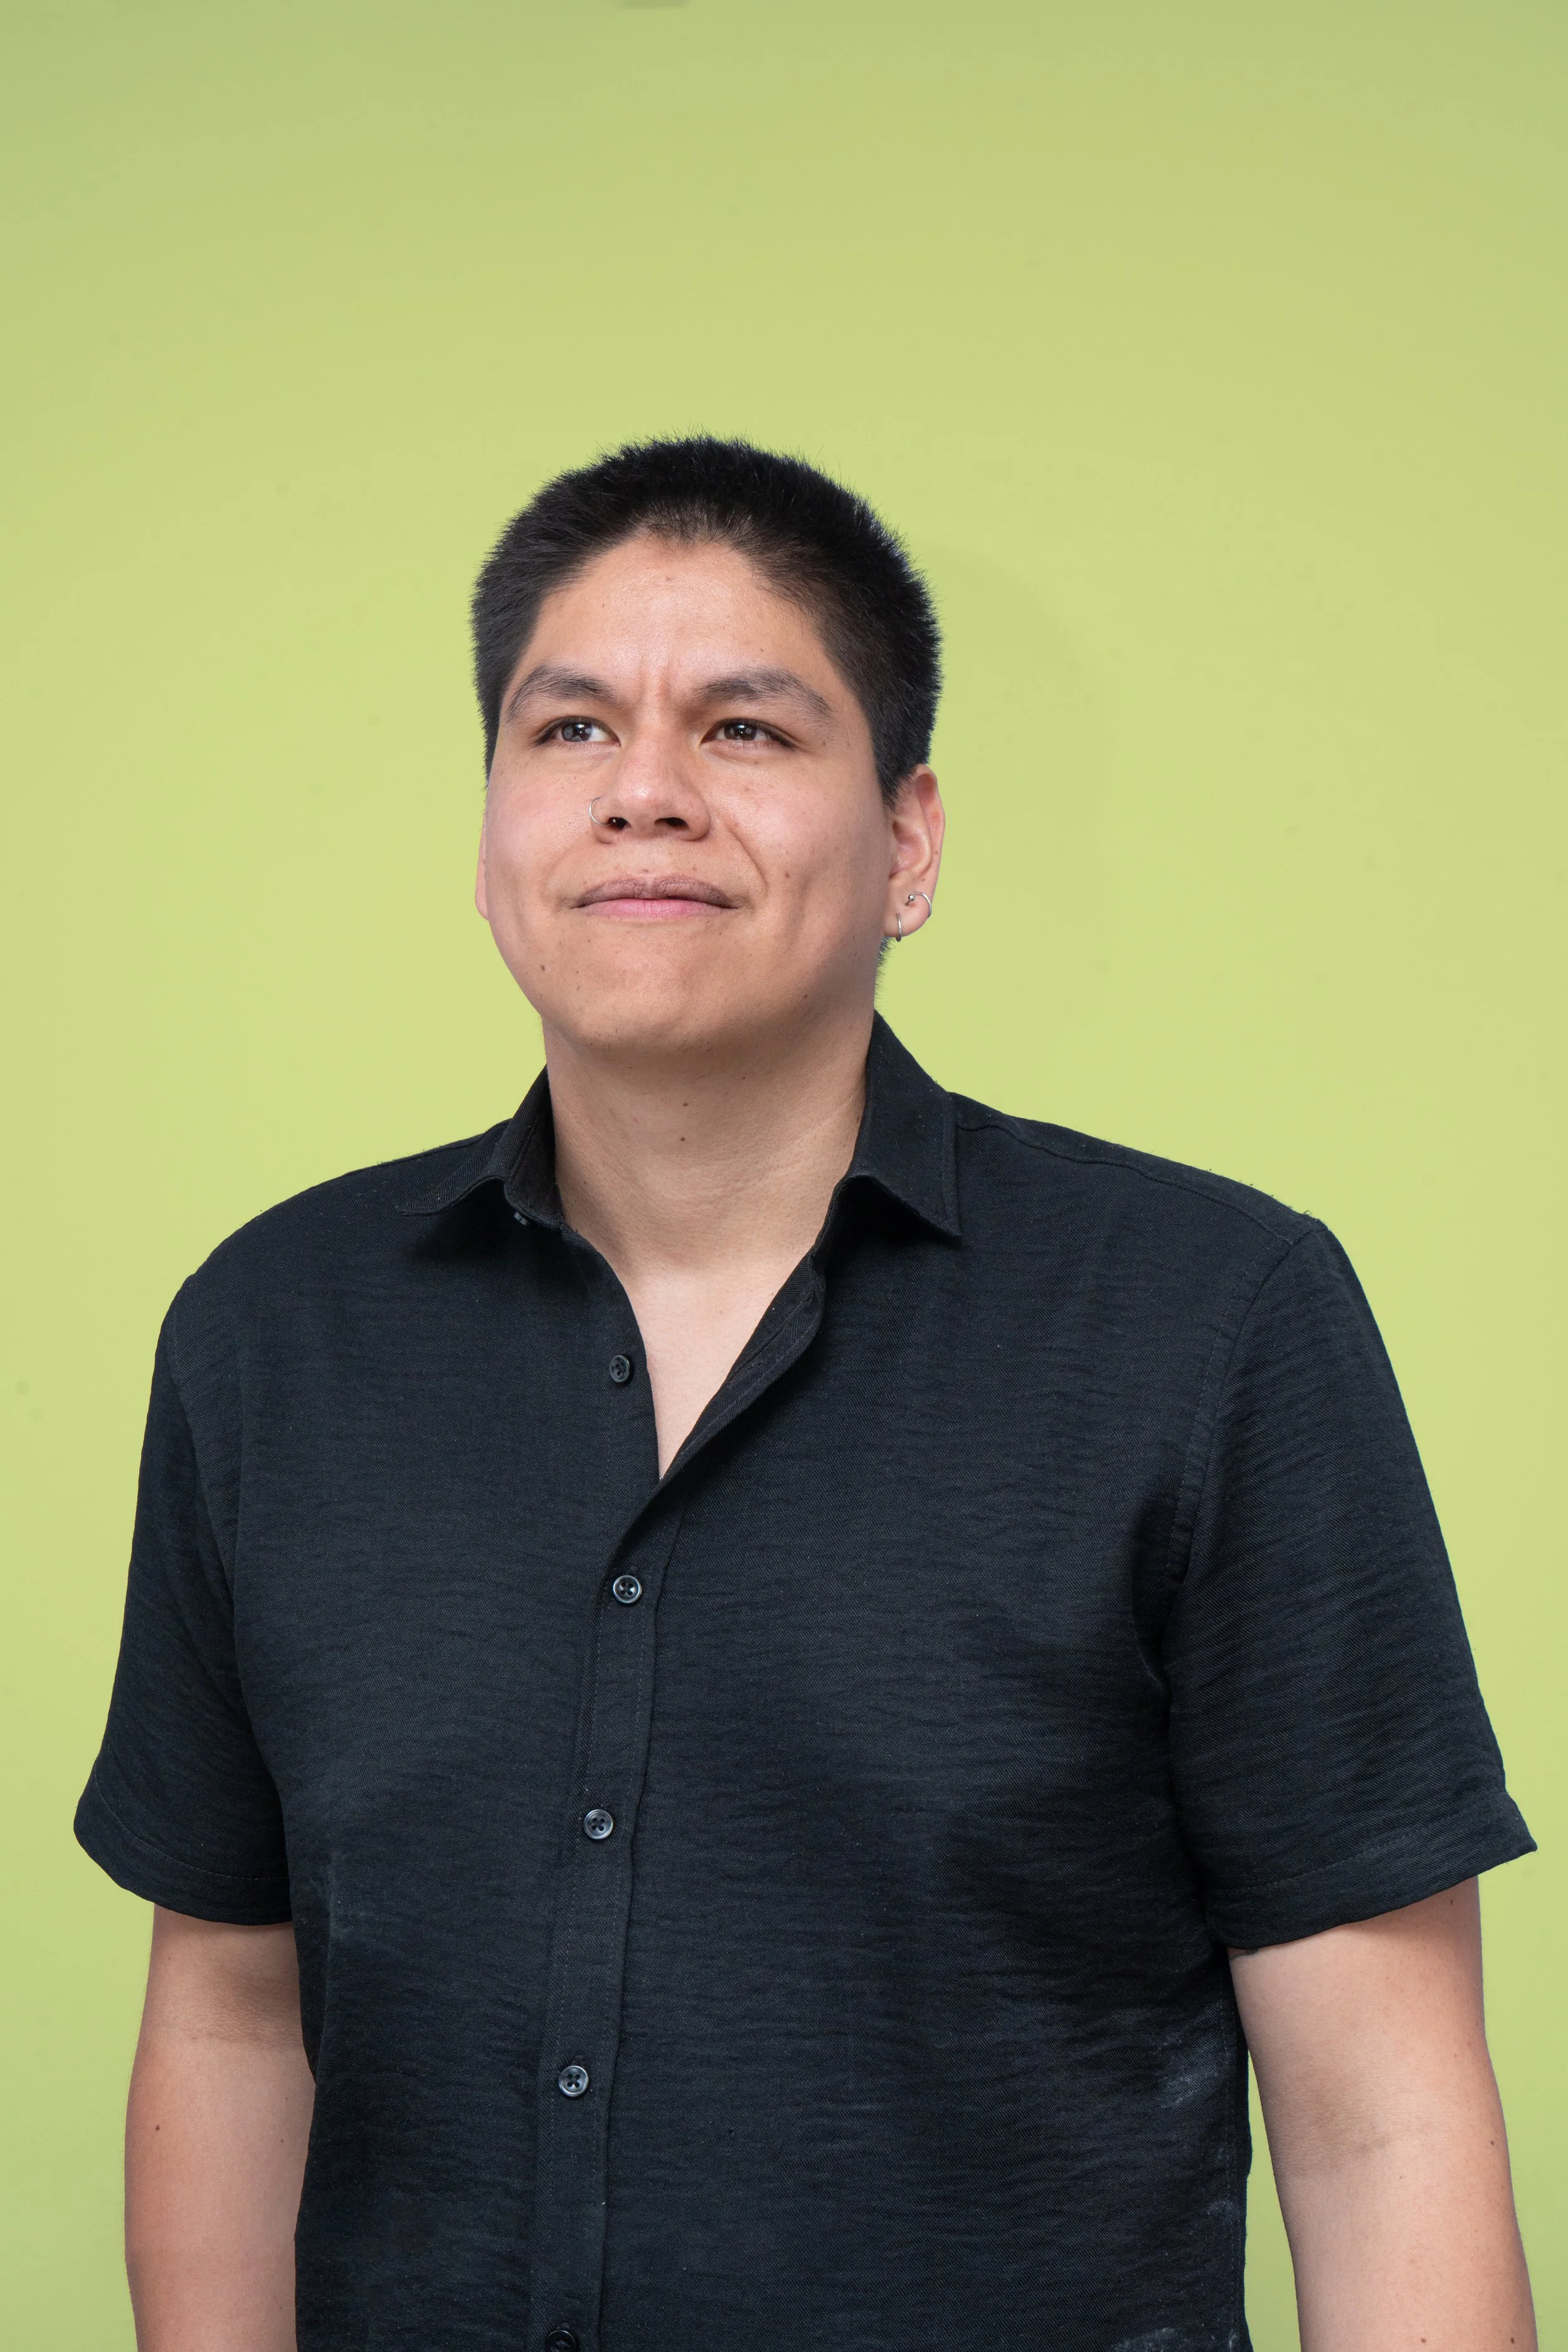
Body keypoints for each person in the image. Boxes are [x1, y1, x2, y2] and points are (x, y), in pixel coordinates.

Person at [77, 437, 1536, 2352]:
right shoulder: (277, 1333)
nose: (646, 795)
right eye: (571, 727)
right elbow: (233, 2009)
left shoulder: (1209, 1319)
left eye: (747, 729)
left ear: (907, 840)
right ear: (496, 816)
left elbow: (1378, 2116)